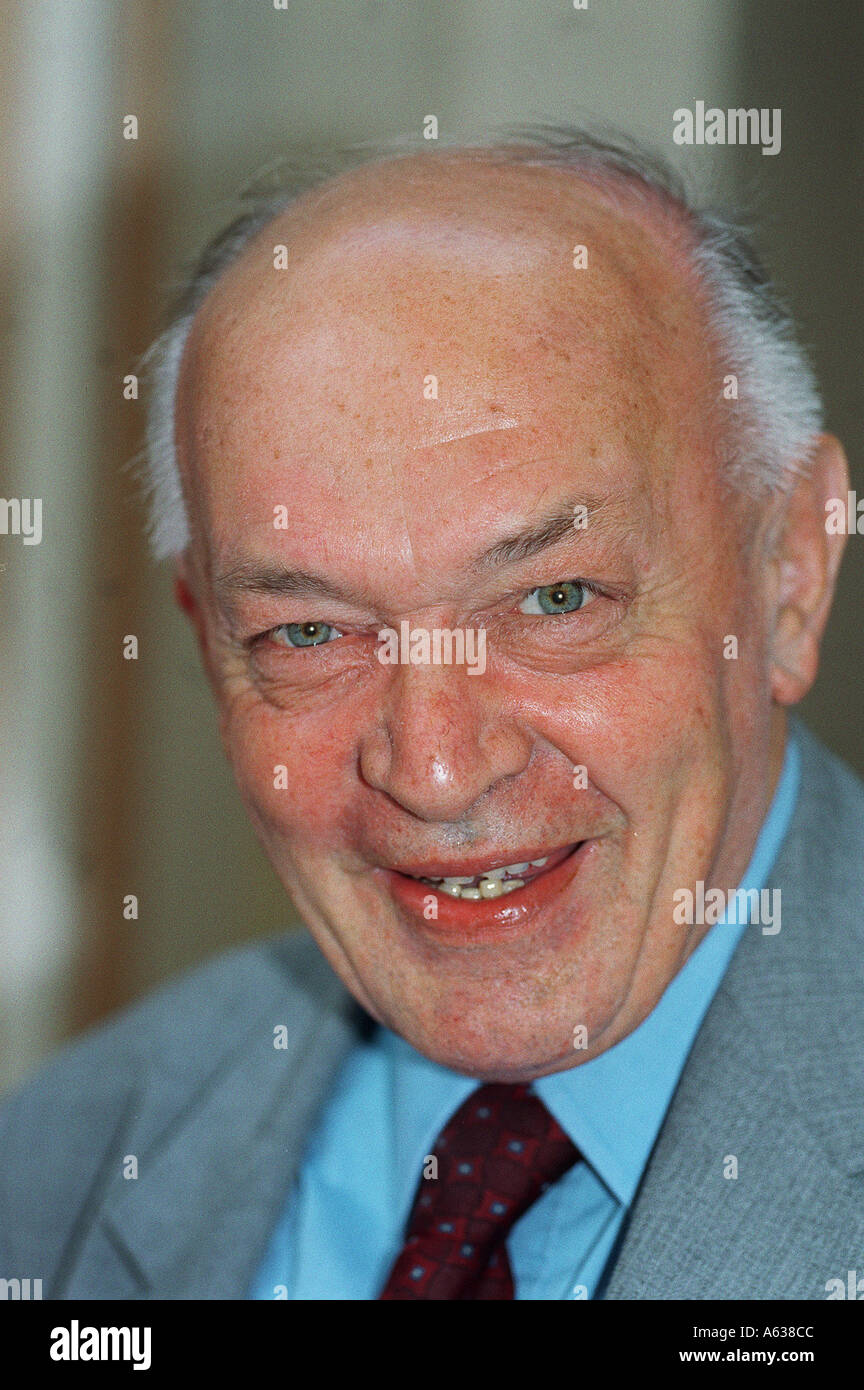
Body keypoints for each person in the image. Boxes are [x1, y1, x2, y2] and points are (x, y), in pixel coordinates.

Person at [2, 128, 862, 1301]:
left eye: (555, 599)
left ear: (789, 574)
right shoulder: (60, 1156)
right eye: (309, 633)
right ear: (207, 639)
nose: (438, 769)